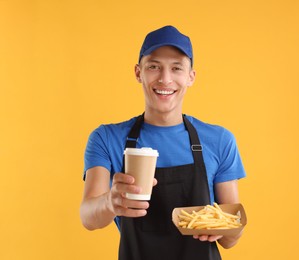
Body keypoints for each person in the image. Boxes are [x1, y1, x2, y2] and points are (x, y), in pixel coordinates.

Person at [80, 25, 246, 260]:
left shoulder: (219, 140)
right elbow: (88, 217)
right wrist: (110, 201)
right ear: (139, 73)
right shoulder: (107, 138)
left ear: (191, 77)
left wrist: (220, 229)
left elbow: (231, 239)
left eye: (176, 68)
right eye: (154, 67)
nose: (165, 79)